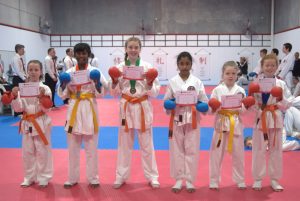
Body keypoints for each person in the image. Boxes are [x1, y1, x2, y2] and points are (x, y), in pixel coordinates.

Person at [109, 36, 160, 189]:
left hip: (142, 105)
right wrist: (113, 81)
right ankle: (121, 176)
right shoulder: (118, 68)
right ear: (125, 49)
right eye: (130, 47)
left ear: (140, 49)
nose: (133, 50)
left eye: (135, 47)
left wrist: (150, 83)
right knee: (124, 144)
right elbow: (114, 93)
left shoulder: (147, 67)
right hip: (126, 107)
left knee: (147, 144)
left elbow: (156, 93)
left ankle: (153, 177)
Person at [58, 43, 107, 189]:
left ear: (88, 54)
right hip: (74, 107)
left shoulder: (95, 71)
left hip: (89, 107)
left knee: (91, 147)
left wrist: (97, 84)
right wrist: (62, 84)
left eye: (84, 53)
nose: (81, 56)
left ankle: (93, 178)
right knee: (73, 147)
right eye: (78, 53)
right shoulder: (69, 72)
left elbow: (103, 93)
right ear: (74, 55)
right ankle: (72, 178)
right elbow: (62, 95)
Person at [163, 52, 208, 193]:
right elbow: (166, 101)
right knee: (177, 149)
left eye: (187, 63)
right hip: (176, 119)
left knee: (192, 149)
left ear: (191, 65)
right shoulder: (172, 82)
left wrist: (202, 105)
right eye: (181, 64)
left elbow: (204, 100)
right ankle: (178, 179)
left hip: (193, 119)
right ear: (178, 65)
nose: (184, 66)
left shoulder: (197, 82)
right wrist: (170, 104)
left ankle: (189, 180)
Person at [249, 54, 292, 192]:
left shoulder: (281, 84)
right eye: (267, 65)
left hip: (275, 118)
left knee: (276, 150)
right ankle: (258, 179)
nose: (269, 68)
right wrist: (253, 103)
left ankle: (274, 179)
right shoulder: (256, 83)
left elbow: (288, 104)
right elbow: (252, 105)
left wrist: (280, 99)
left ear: (277, 66)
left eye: (273, 65)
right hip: (261, 117)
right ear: (262, 67)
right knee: (258, 149)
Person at [11, 60, 53, 188]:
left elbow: (48, 109)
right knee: (27, 152)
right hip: (27, 122)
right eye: (30, 69)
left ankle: (44, 177)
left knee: (43, 151)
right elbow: (18, 109)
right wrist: (14, 95)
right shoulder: (22, 87)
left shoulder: (45, 88)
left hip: (41, 122)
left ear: (41, 72)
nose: (33, 72)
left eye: (36, 70)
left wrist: (42, 97)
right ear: (26, 71)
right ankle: (29, 177)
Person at [208, 61, 247, 190]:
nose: (231, 76)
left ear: (237, 74)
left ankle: (240, 179)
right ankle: (214, 180)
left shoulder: (240, 90)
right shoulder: (217, 90)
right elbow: (210, 110)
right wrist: (214, 107)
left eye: (233, 73)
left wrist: (244, 106)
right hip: (221, 123)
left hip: (235, 123)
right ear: (223, 74)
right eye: (227, 73)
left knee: (239, 154)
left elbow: (244, 111)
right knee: (216, 154)